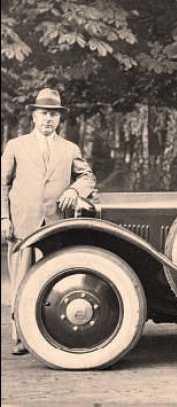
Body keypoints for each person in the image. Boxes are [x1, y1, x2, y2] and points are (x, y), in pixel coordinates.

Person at [1, 88, 96, 355]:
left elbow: (87, 177)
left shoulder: (69, 149)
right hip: (23, 225)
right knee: (21, 281)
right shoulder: (16, 146)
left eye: (53, 115)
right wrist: (4, 218)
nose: (48, 120)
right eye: (44, 113)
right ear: (33, 115)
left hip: (57, 228)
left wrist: (74, 191)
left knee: (54, 281)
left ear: (59, 119)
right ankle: (19, 337)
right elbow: (2, 183)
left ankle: (47, 336)